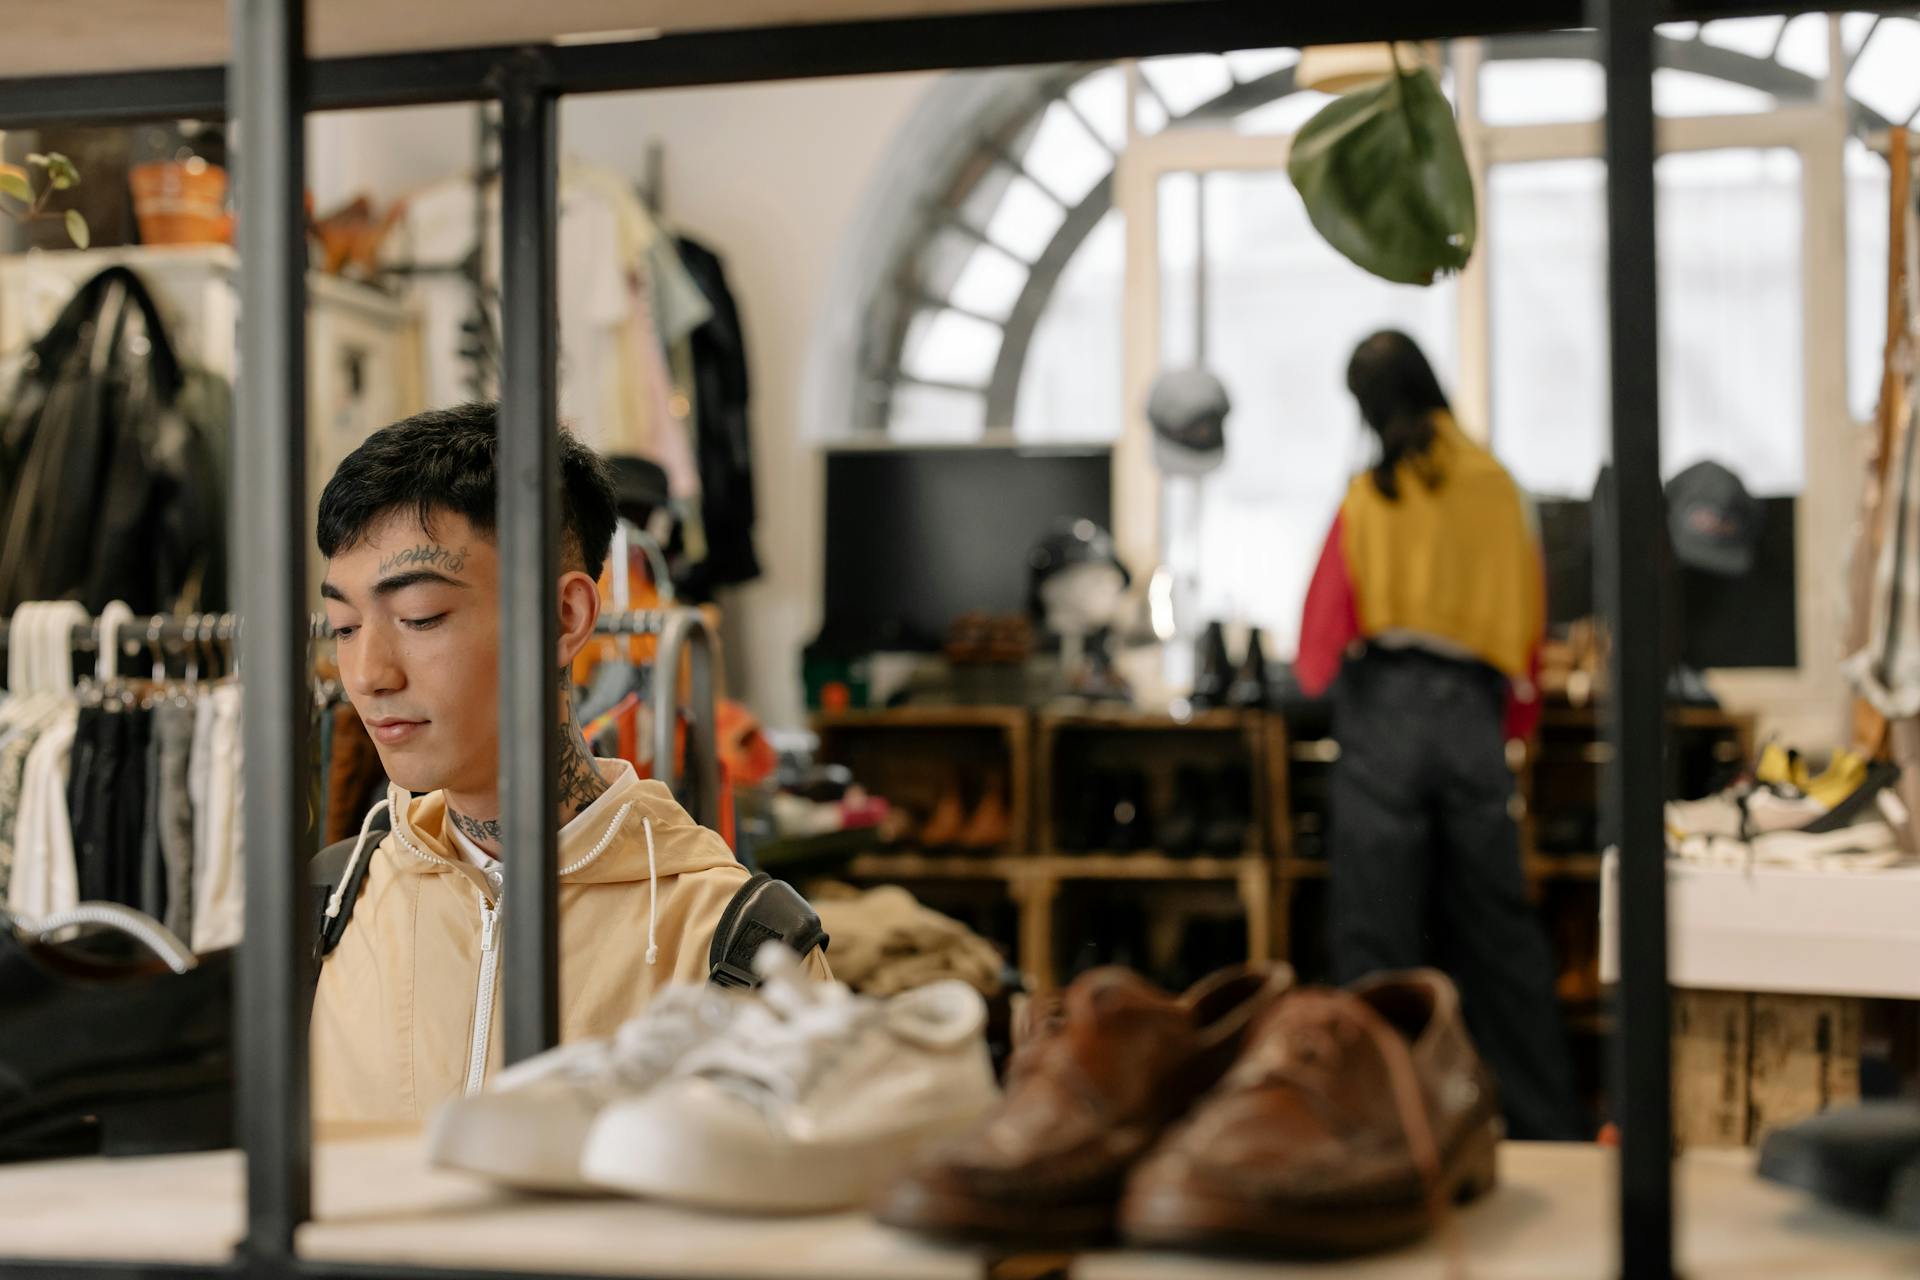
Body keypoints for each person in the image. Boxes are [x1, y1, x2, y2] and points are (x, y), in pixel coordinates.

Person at [308, 403, 825, 1135]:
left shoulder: (736, 941)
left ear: (563, 617)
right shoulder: (334, 906)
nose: (366, 673)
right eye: (344, 628)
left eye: (419, 617)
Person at [1296, 331, 1582, 1141]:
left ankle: (1376, 1129)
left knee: (1376, 934)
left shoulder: (1367, 494)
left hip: (1383, 712)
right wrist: (1511, 720)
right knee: (1497, 934)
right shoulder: (1498, 486)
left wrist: (1328, 682)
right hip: (1469, 717)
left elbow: (1319, 645)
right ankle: (1543, 1125)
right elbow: (1528, 616)